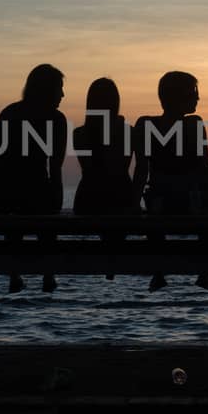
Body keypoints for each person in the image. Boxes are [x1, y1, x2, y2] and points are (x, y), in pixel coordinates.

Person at [0, 64, 68, 293]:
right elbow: (55, 167)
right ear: (48, 90)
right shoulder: (56, 119)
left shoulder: (9, 113)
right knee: (40, 200)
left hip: (1, 196)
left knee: (16, 201)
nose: (62, 94)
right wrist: (56, 202)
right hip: (35, 193)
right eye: (59, 88)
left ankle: (14, 273)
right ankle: (48, 274)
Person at [133, 71, 208, 292]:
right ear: (177, 96)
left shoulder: (145, 124)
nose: (197, 98)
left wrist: (134, 201)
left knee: (155, 214)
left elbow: (142, 168)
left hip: (160, 199)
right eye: (193, 93)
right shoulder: (194, 124)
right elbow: (205, 165)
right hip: (189, 199)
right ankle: (205, 271)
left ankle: (159, 271)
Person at [73, 78, 138, 280]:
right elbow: (117, 167)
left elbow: (90, 169)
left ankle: (109, 259)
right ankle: (113, 260)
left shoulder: (79, 134)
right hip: (120, 196)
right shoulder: (127, 131)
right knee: (118, 210)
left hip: (87, 198)